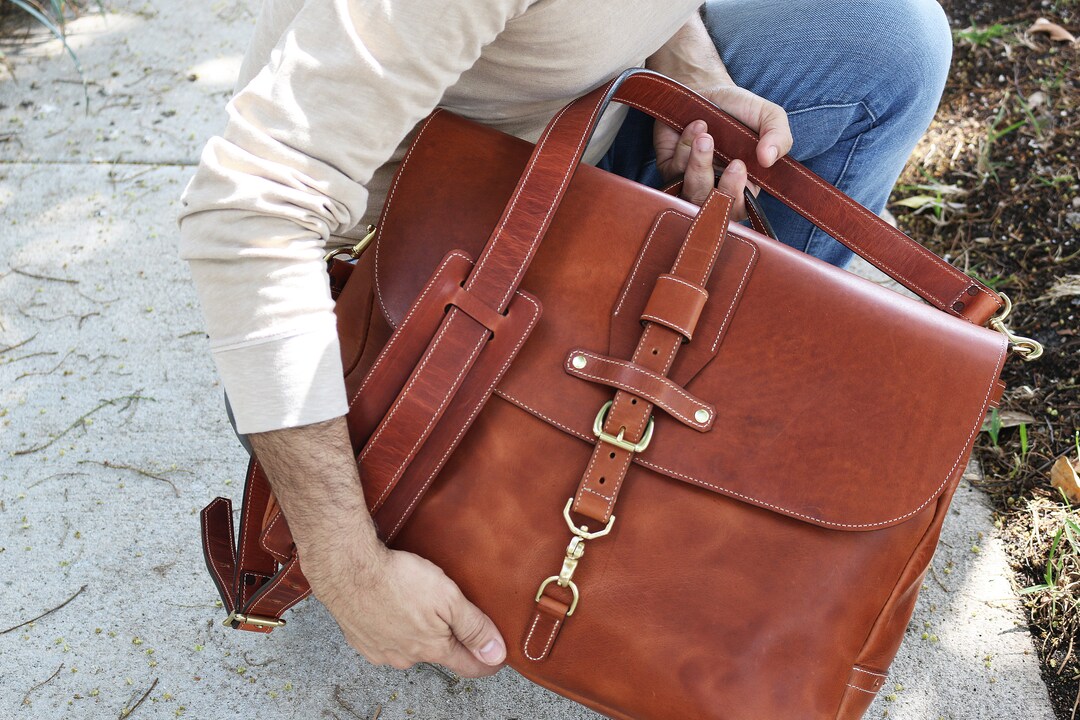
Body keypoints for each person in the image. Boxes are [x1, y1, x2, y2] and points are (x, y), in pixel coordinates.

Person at [179, 0, 952, 682]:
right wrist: (345, 562)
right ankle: (486, 466)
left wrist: (688, 67)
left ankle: (705, 473)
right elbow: (250, 211)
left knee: (887, 39)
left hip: (572, 134)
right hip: (409, 277)